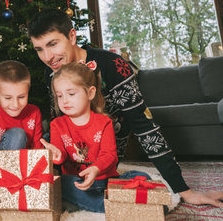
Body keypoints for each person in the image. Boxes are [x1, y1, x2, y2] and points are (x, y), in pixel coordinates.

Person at [27, 8, 223, 208]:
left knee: (137, 180)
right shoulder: (51, 73)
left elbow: (144, 126)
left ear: (72, 36)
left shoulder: (112, 65)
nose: (47, 57)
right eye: (39, 49)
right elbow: (60, 121)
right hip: (72, 153)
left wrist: (184, 191)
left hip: (103, 155)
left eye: (52, 44)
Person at [41, 62, 149, 212]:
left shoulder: (104, 122)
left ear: (90, 93)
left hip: (106, 180)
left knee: (141, 176)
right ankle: (109, 206)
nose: (64, 100)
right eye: (59, 95)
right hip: (77, 182)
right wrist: (55, 154)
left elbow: (109, 155)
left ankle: (93, 202)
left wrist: (96, 169)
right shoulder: (57, 124)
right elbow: (61, 156)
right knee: (60, 183)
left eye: (71, 94)